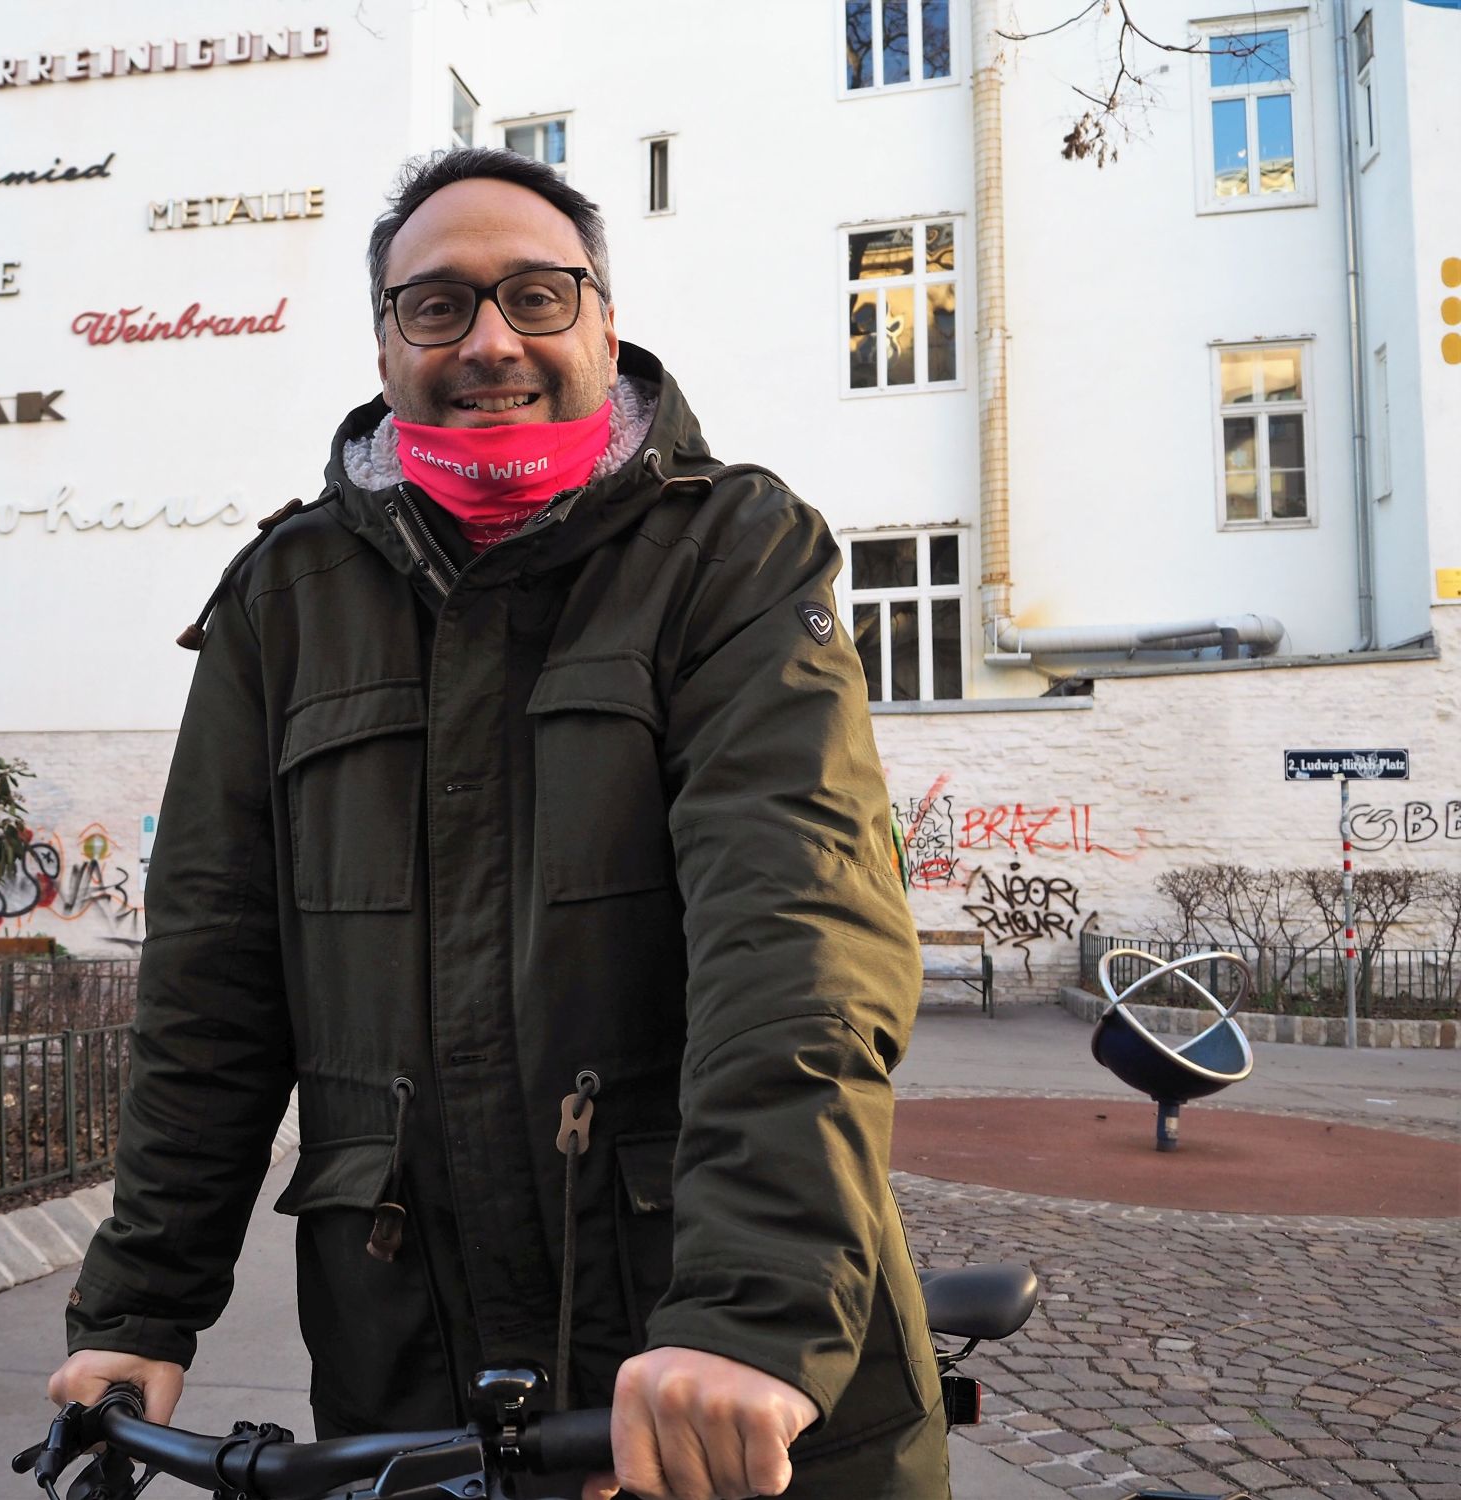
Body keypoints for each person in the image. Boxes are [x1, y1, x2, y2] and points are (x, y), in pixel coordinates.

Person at [49, 147, 946, 1500]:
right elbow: (211, 990)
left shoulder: (736, 553)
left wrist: (748, 1315)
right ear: (384, 340)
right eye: (438, 305)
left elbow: (797, 930)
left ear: (602, 318)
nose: (488, 343)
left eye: (536, 296)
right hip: (410, 1381)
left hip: (717, 1377)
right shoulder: (280, 602)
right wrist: (134, 1313)